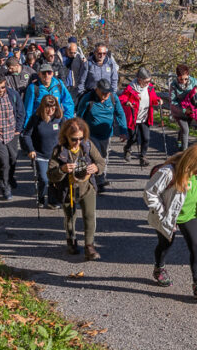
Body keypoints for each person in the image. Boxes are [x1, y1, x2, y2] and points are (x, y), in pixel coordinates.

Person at [143, 143, 197, 301]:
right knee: (166, 244)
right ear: (190, 163)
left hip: (190, 215)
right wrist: (162, 214)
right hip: (167, 215)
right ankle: (159, 268)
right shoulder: (169, 172)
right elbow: (150, 192)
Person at [48, 118, 105, 260]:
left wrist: (96, 168)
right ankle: (71, 241)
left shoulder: (87, 145)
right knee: (70, 217)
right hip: (68, 190)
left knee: (90, 216)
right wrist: (62, 169)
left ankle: (89, 246)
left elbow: (101, 162)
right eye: (74, 139)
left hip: (87, 187)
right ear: (66, 136)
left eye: (81, 138)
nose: (78, 142)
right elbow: (50, 174)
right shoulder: (59, 150)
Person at [75, 79, 127, 190]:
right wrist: (78, 132)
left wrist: (123, 131)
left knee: (104, 157)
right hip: (91, 134)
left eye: (108, 92)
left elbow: (120, 113)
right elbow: (79, 115)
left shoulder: (113, 98)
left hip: (106, 134)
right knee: (95, 156)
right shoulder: (88, 98)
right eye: (103, 92)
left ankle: (101, 176)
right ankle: (98, 181)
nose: (106, 95)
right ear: (97, 90)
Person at [21, 94, 65, 208]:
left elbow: (65, 134)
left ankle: (52, 200)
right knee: (44, 179)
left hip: (55, 155)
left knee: (54, 179)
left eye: (53, 107)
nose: (51, 110)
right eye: (48, 108)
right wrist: (30, 150)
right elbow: (26, 135)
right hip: (40, 154)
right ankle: (41, 197)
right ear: (43, 107)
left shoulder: (59, 119)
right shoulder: (35, 119)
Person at [120, 68, 162, 165]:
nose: (148, 83)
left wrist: (158, 100)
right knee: (133, 138)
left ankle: (143, 157)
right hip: (133, 118)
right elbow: (122, 98)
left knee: (146, 138)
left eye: (149, 81)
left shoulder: (150, 88)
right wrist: (127, 102)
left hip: (145, 117)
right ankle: (127, 148)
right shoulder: (131, 88)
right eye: (146, 81)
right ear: (140, 79)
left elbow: (154, 98)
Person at [22, 63, 75, 129]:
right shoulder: (33, 88)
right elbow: (28, 110)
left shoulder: (59, 84)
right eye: (44, 73)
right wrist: (27, 128)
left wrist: (67, 120)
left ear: (52, 74)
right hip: (40, 123)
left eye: (49, 72)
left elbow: (68, 102)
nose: (46, 75)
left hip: (56, 121)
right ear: (39, 74)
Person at [169, 64, 197, 151]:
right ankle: (184, 153)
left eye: (186, 79)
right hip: (179, 110)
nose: (183, 81)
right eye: (181, 79)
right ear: (177, 77)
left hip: (190, 110)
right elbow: (173, 101)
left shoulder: (194, 81)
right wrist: (183, 110)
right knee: (186, 130)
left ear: (188, 76)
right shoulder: (174, 85)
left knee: (184, 129)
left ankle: (179, 141)